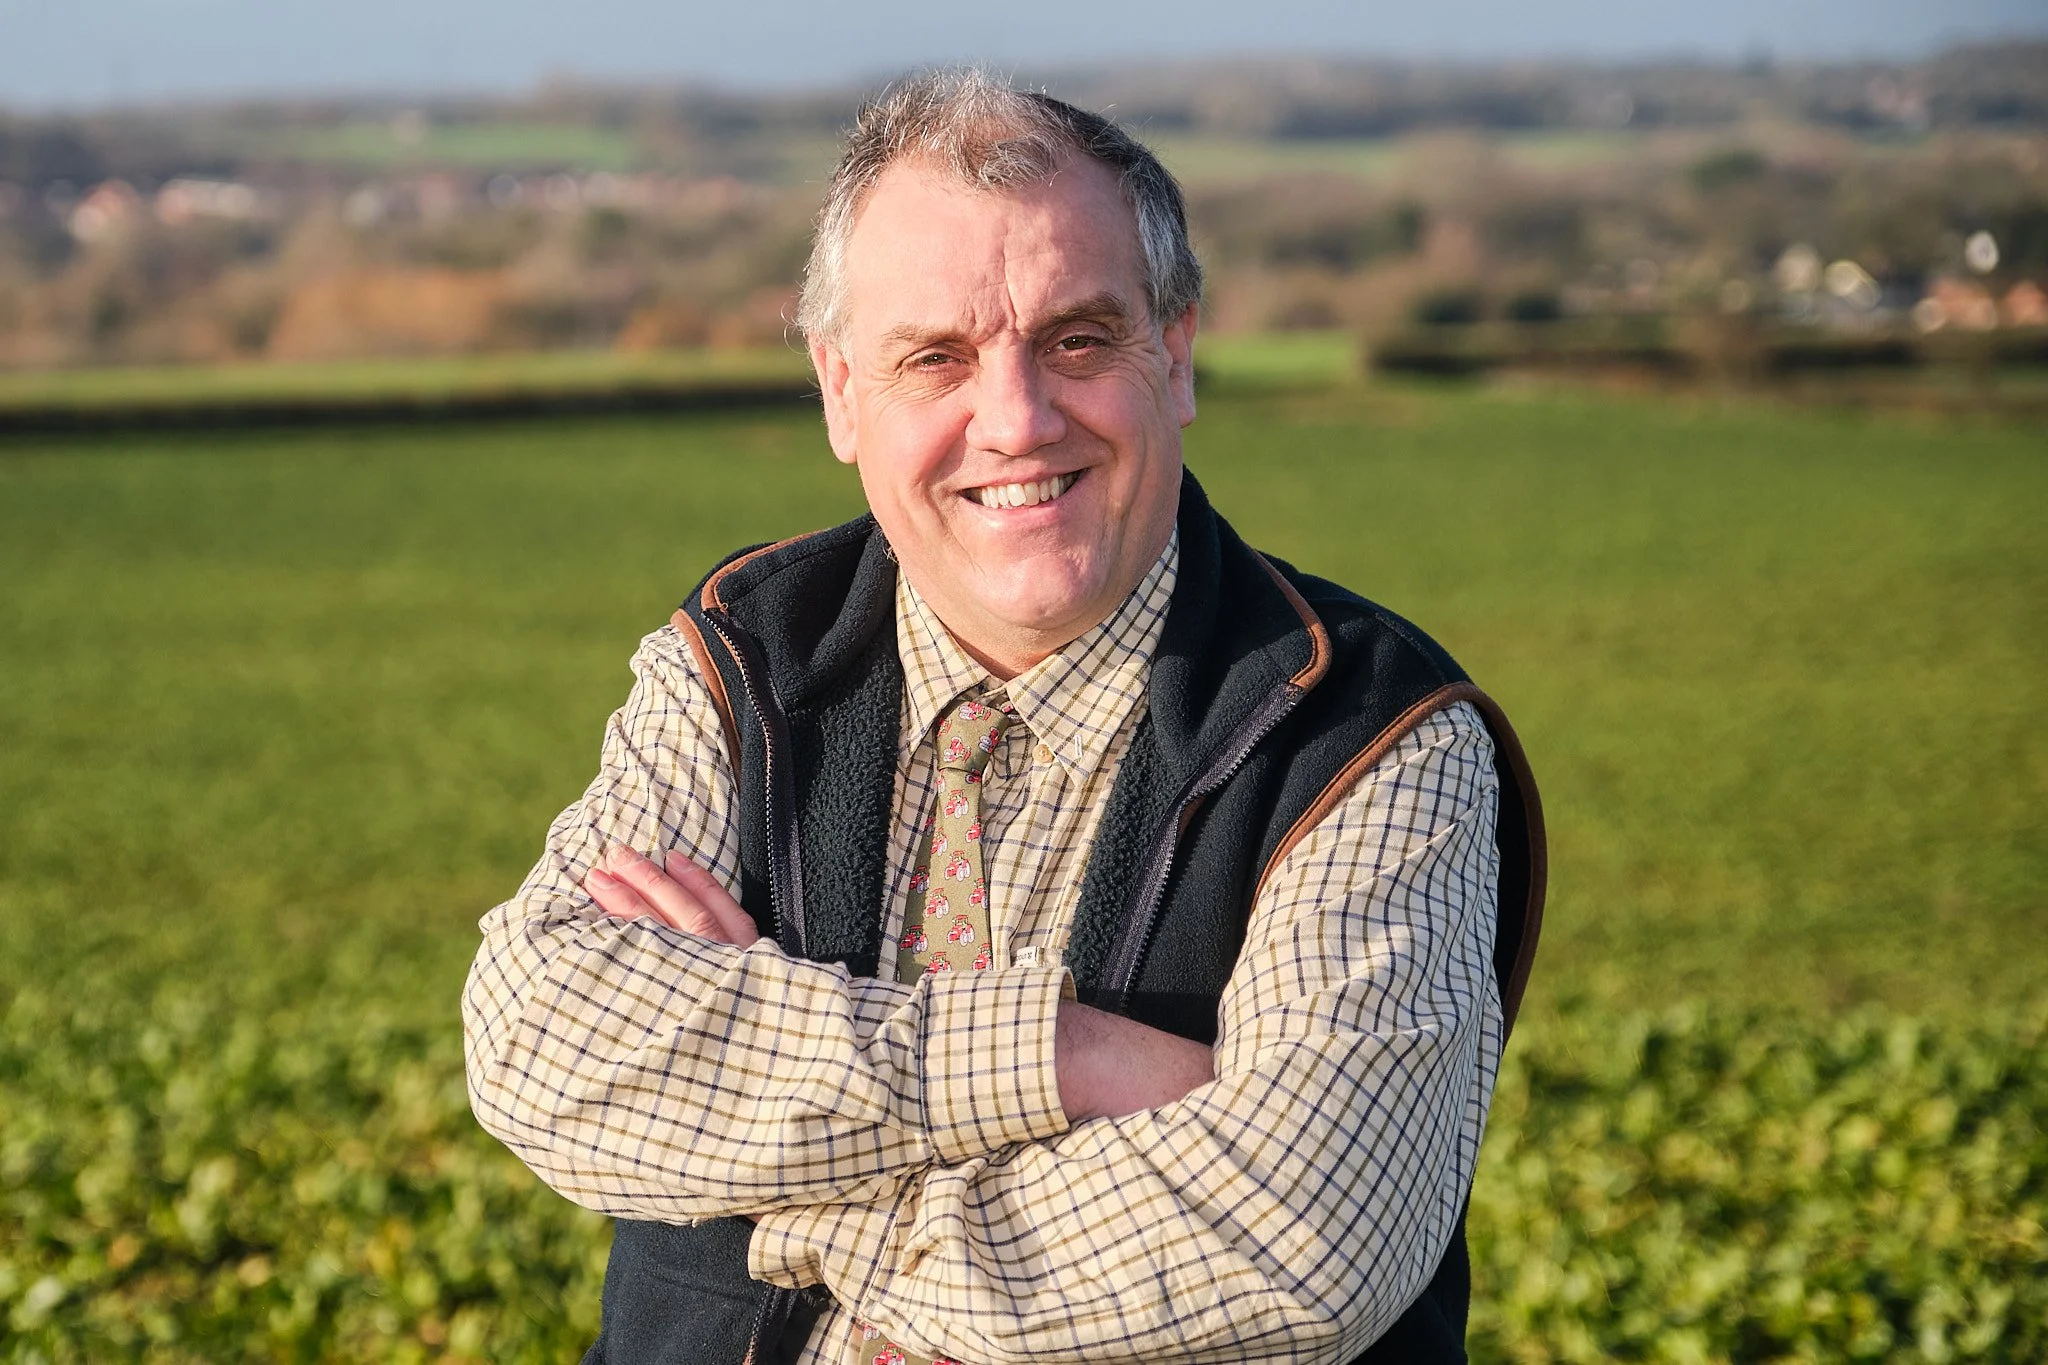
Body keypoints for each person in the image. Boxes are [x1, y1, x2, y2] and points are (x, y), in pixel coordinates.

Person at [463, 70, 1544, 1365]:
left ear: (1178, 353)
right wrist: (1058, 1056)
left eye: (1079, 340)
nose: (1018, 420)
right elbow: (544, 1049)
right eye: (936, 359)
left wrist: (807, 1202)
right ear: (840, 393)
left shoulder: (1372, 737)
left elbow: (1302, 1239)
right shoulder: (734, 665)